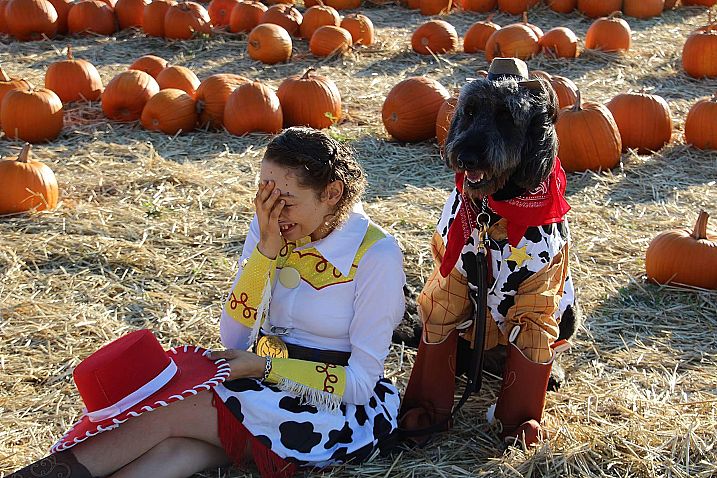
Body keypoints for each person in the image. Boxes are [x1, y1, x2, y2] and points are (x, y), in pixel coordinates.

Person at [7, 127, 406, 478]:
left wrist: (264, 367)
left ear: (332, 193)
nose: (272, 211)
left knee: (167, 409)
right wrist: (265, 253)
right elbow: (233, 335)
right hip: (261, 385)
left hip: (334, 412)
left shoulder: (375, 255)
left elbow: (359, 384)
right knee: (175, 451)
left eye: (285, 199)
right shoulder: (270, 226)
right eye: (264, 195)